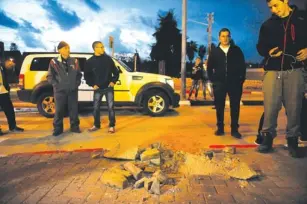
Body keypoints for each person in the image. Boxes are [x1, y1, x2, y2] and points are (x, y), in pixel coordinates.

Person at [256, 0, 307, 157]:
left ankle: (292, 140)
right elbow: (260, 47)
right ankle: (267, 138)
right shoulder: (268, 25)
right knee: (270, 106)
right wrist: (269, 51)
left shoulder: (302, 19)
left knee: (294, 107)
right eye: (270, 7)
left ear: (286, 1)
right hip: (272, 71)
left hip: (295, 70)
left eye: (276, 5)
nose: (273, 9)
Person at [207, 28, 246, 139]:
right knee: (219, 107)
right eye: (223, 36)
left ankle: (234, 129)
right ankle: (220, 128)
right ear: (219, 37)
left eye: (227, 36)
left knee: (235, 107)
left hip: (235, 84)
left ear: (230, 37)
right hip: (219, 84)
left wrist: (240, 80)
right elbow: (209, 68)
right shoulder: (214, 51)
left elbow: (242, 66)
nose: (225, 38)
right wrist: (213, 80)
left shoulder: (236, 50)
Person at [47, 41, 82, 136]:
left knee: (73, 109)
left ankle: (75, 127)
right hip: (59, 91)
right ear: (59, 50)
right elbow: (50, 76)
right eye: (65, 48)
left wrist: (76, 84)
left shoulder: (74, 61)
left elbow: (79, 74)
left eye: (68, 48)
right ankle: (58, 129)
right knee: (59, 110)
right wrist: (57, 85)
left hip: (72, 90)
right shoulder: (54, 61)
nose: (68, 50)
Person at [84, 41, 119, 133]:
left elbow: (116, 72)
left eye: (103, 47)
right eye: (101, 47)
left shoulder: (108, 59)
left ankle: (112, 126)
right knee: (96, 108)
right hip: (98, 89)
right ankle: (96, 125)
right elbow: (87, 76)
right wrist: (92, 84)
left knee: (111, 107)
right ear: (95, 48)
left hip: (108, 88)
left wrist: (113, 81)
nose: (103, 49)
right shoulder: (90, 61)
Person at [0, 58, 24, 135]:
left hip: (3, 91)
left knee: (9, 110)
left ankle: (13, 127)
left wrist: (10, 67)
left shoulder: (1, 66)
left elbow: (7, 75)